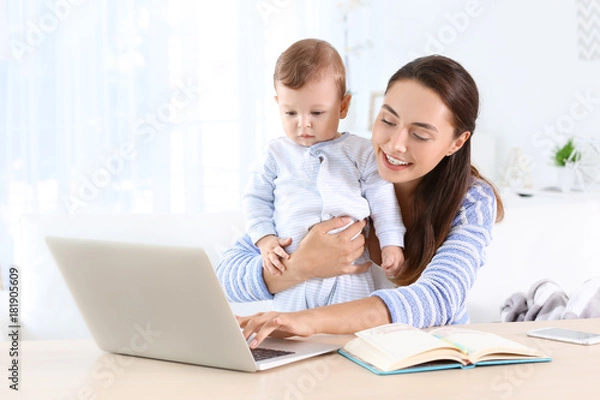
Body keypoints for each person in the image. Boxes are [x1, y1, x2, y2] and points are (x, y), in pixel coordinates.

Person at [216, 54, 505, 348]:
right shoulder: (336, 165)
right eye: (388, 120)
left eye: (419, 135)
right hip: (330, 360)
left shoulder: (472, 199)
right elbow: (225, 276)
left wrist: (308, 321)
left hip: (427, 362)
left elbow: (438, 297)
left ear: (456, 142)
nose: (395, 144)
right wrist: (302, 266)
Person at [244, 38, 405, 311]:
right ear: (277, 104)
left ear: (343, 106)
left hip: (349, 277)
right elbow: (255, 199)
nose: (303, 123)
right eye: (290, 112)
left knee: (347, 336)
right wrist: (265, 240)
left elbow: (383, 201)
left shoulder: (360, 152)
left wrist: (392, 243)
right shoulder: (274, 154)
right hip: (292, 276)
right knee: (291, 337)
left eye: (317, 112)